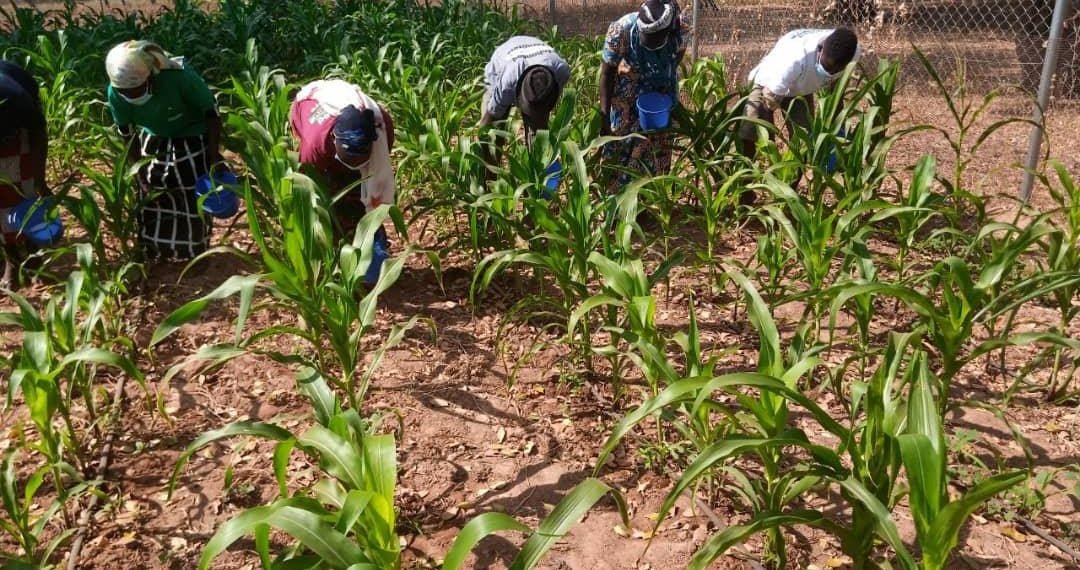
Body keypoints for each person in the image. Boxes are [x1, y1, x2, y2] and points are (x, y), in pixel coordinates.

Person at [105, 40, 223, 261]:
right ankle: (154, 249)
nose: (132, 96)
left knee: (190, 188)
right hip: (154, 133)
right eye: (126, 92)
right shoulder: (115, 93)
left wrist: (213, 155)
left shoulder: (178, 77)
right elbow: (127, 134)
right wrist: (140, 174)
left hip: (191, 131)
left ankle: (194, 253)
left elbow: (211, 114)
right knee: (153, 190)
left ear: (151, 76)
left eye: (138, 89)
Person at [289, 79, 395, 245]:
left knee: (358, 195)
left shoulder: (383, 130)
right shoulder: (314, 145)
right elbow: (306, 187)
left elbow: (376, 180)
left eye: (360, 156)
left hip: (343, 113)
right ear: (334, 139)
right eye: (349, 157)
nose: (355, 161)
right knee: (327, 195)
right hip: (306, 105)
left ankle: (368, 240)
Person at [599, 0, 686, 191]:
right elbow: (607, 72)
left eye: (656, 41)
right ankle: (616, 198)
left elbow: (677, 55)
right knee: (620, 144)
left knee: (657, 145)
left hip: (661, 94)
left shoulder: (680, 29)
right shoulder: (621, 30)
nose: (650, 45)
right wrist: (604, 114)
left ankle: (646, 199)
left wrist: (662, 73)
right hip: (627, 95)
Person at [739, 27, 860, 160]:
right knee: (751, 128)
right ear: (821, 48)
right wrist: (770, 145)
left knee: (804, 141)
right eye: (826, 66)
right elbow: (768, 105)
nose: (828, 73)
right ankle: (747, 173)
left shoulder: (852, 52)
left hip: (802, 87)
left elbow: (837, 93)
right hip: (768, 82)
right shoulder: (795, 60)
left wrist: (837, 128)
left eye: (834, 71)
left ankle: (791, 178)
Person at [0, 60, 50, 287]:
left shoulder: (15, 100)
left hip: (17, 131)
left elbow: (39, 133)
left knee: (23, 189)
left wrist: (40, 180)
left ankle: (32, 251)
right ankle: (10, 254)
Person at [479, 35, 570, 158]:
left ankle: (536, 169)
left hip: (532, 52)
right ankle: (491, 175)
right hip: (501, 65)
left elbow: (543, 107)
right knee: (495, 134)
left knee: (538, 134)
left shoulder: (561, 71)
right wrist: (487, 158)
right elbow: (487, 124)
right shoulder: (506, 84)